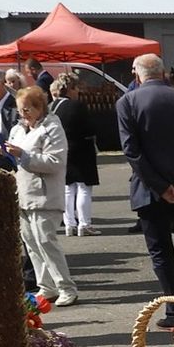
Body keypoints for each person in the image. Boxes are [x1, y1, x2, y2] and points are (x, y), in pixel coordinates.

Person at [117, 53, 174, 334]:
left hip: (151, 193)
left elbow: (132, 151)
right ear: (162, 73)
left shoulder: (127, 102)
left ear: (137, 74)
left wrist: (161, 187)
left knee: (161, 253)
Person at [5, 85, 77, 305]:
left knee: (47, 241)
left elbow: (55, 162)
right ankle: (46, 286)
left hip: (45, 194)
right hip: (23, 193)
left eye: (27, 109)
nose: (23, 114)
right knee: (31, 243)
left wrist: (23, 155)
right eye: (20, 110)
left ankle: (67, 287)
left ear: (40, 107)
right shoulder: (18, 129)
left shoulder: (52, 128)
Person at [50, 73, 102, 235]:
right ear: (70, 88)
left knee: (67, 188)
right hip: (81, 150)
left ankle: (69, 224)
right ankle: (84, 224)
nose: (78, 91)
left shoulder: (51, 107)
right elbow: (90, 128)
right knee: (84, 188)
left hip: (61, 150)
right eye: (76, 88)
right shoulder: (77, 106)